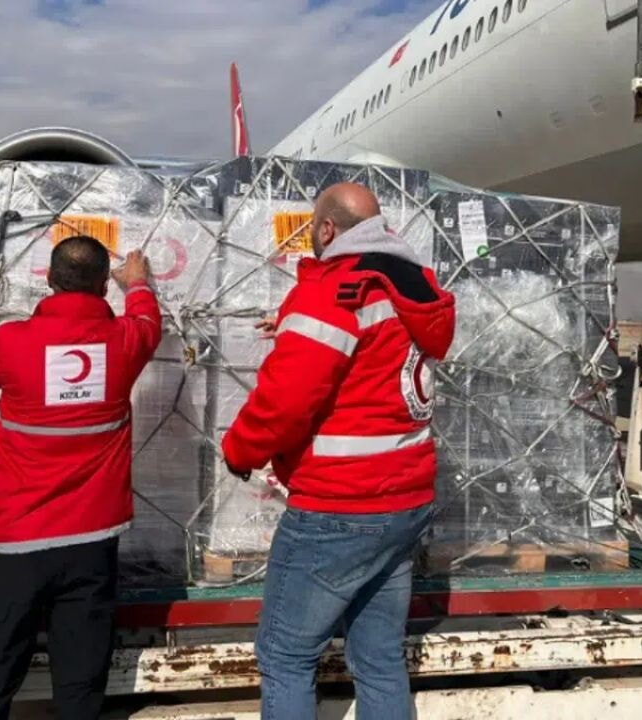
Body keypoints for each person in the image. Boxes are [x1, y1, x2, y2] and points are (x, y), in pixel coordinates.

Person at [221, 183, 456, 720]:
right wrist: (295, 329)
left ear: (327, 230)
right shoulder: (411, 287)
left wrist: (240, 450)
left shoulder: (334, 289)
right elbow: (371, 359)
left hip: (340, 507)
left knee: (285, 655)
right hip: (404, 500)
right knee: (377, 659)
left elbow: (286, 403)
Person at [0, 237, 161, 720]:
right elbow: (149, 322)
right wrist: (137, 284)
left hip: (17, 542)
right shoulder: (125, 342)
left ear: (48, 281)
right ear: (101, 287)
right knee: (80, 683)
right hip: (91, 544)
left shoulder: (11, 343)